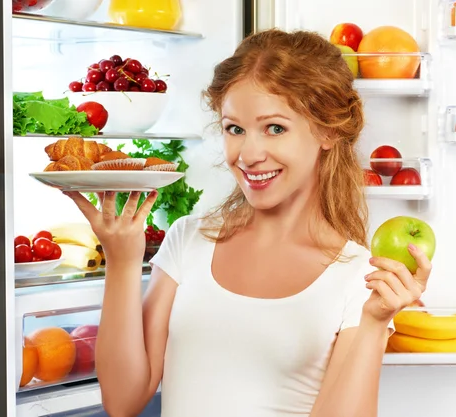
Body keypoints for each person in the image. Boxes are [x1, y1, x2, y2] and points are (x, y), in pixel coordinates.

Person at [64, 29, 432, 417]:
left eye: (275, 128)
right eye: (234, 129)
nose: (249, 154)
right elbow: (123, 400)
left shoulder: (359, 276)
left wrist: (374, 325)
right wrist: (121, 261)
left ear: (327, 130)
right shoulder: (188, 240)